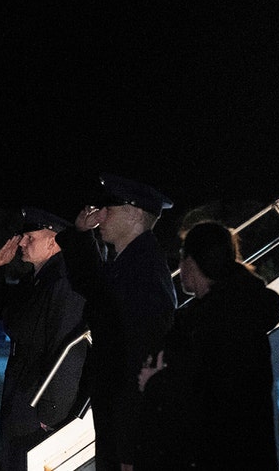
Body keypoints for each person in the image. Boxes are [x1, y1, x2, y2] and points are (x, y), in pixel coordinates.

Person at [137, 221, 279, 470]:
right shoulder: (243, 308)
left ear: (192, 263)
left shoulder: (209, 325)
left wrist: (155, 383)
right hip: (253, 452)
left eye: (182, 258)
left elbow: (205, 397)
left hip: (218, 456)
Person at [56, 174, 177, 471]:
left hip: (127, 425)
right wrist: (80, 235)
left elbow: (142, 360)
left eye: (111, 205)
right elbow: (93, 288)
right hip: (116, 415)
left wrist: (131, 449)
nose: (101, 213)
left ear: (135, 214)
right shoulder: (129, 261)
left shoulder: (144, 270)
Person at [0, 207, 89, 471]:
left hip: (37, 399)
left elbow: (68, 347)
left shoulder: (64, 281)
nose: (22, 242)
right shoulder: (37, 280)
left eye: (31, 237)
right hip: (23, 391)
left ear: (54, 241)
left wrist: (53, 411)